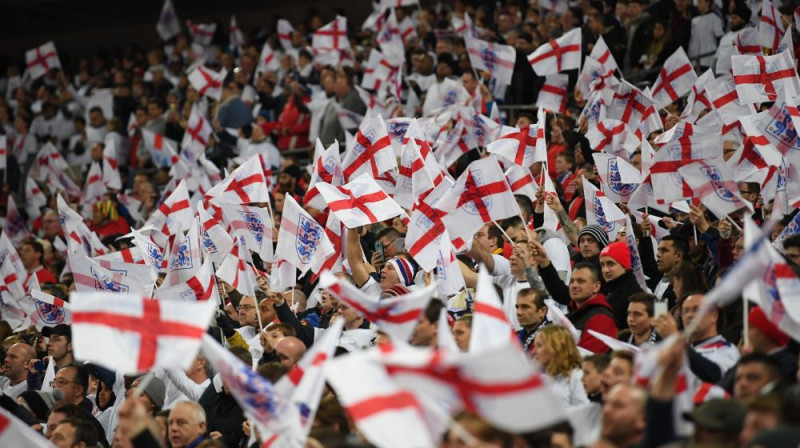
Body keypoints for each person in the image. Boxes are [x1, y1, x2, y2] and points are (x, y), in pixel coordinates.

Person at [532, 326, 589, 407]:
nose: (534, 351)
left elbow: (583, 415)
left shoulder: (577, 378)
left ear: (556, 348)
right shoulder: (540, 377)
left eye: (539, 346)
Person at [598, 241, 644, 328]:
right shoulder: (605, 290)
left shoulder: (635, 296)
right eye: (602, 265)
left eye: (610, 264)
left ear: (625, 265)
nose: (605, 270)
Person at [515, 288, 550, 355]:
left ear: (542, 311)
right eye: (517, 307)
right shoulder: (517, 336)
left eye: (525, 307)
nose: (518, 312)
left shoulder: (552, 338)